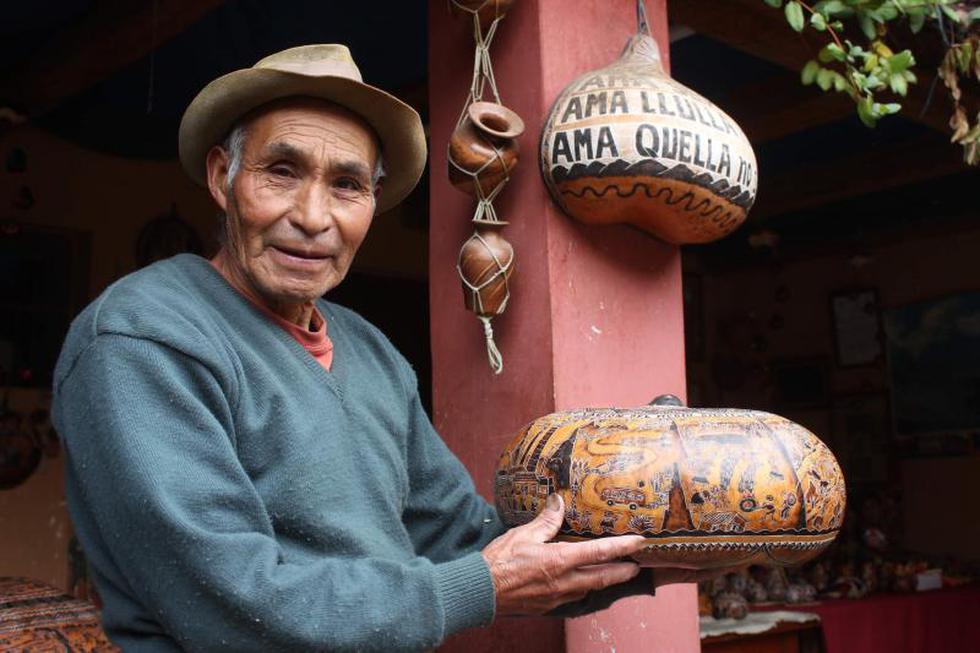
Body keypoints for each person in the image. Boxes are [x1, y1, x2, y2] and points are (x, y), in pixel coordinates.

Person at [53, 45, 717, 652]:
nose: (313, 217)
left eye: (347, 185)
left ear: (371, 202)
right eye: (281, 172)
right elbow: (231, 602)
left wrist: (656, 549)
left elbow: (462, 538)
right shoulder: (143, 339)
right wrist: (480, 585)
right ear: (223, 176)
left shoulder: (369, 351)